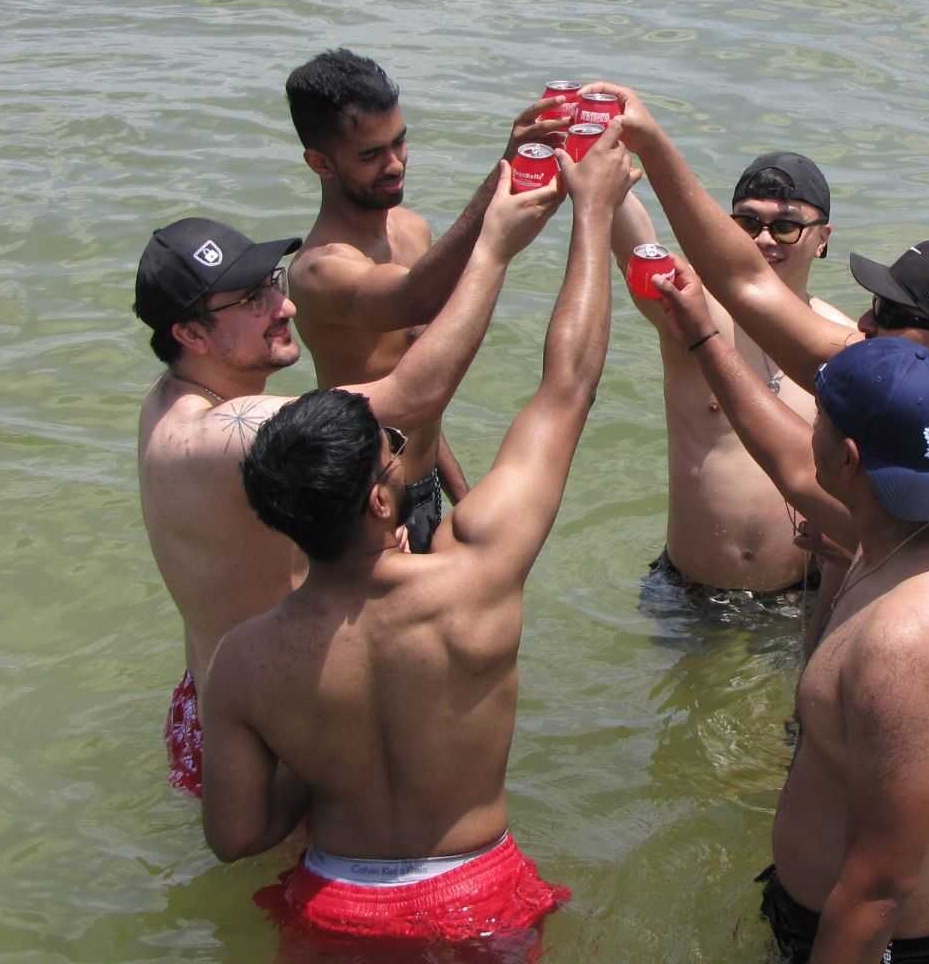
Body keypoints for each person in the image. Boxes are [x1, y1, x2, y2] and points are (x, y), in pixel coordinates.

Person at [200, 127, 634, 947]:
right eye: (393, 452)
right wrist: (595, 213)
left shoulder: (247, 662)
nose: (403, 453)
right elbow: (567, 386)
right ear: (376, 502)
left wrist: (319, 760)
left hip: (336, 906)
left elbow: (234, 837)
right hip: (480, 897)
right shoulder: (477, 580)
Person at [582, 82, 929, 801]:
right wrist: (649, 147)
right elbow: (744, 283)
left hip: (925, 731)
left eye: (888, 313)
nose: (864, 325)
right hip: (840, 673)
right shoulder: (878, 384)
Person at [132, 162, 559, 798]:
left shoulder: (166, 405)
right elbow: (414, 396)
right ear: (190, 333)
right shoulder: (237, 430)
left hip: (216, 707)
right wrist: (494, 249)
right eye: (251, 300)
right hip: (280, 732)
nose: (286, 306)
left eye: (271, 283)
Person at [651, 298, 929, 962]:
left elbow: (880, 885)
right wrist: (703, 337)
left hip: (879, 938)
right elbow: (785, 462)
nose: (803, 431)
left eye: (814, 417)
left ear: (846, 457)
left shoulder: (905, 646)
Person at [284, 48, 569, 552]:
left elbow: (419, 397)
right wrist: (502, 180)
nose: (394, 165)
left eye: (399, 142)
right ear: (320, 163)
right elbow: (412, 299)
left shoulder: (412, 229)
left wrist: (463, 498)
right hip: (365, 509)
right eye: (370, 155)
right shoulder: (319, 271)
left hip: (423, 489)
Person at [608, 153, 851, 605]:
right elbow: (635, 246)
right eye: (747, 223)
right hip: (688, 591)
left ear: (823, 239)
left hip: (797, 597)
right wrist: (606, 174)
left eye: (785, 227)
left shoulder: (843, 344)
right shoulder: (693, 312)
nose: (764, 240)